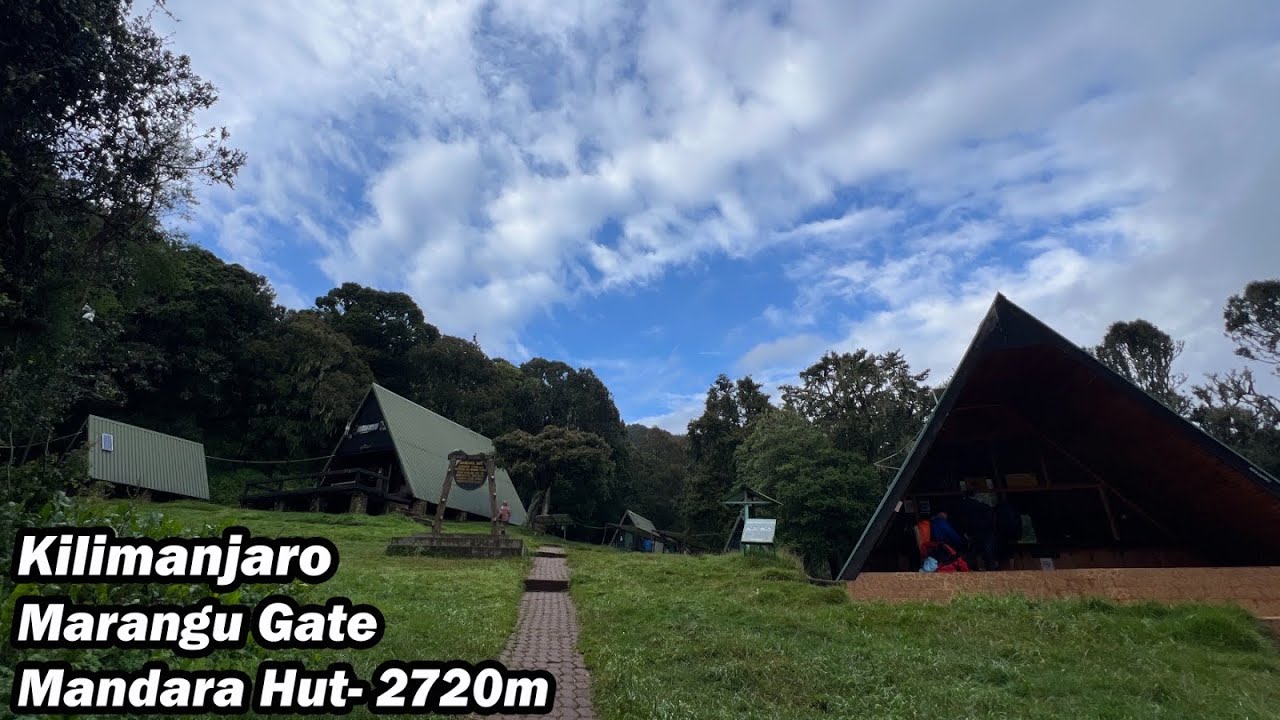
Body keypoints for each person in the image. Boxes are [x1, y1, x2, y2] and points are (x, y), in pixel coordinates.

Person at [955, 491, 998, 571]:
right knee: (986, 551)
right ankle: (988, 567)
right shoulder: (984, 506)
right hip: (983, 531)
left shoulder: (963, 506)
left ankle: (976, 567)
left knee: (974, 551)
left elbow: (961, 521)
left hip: (973, 532)